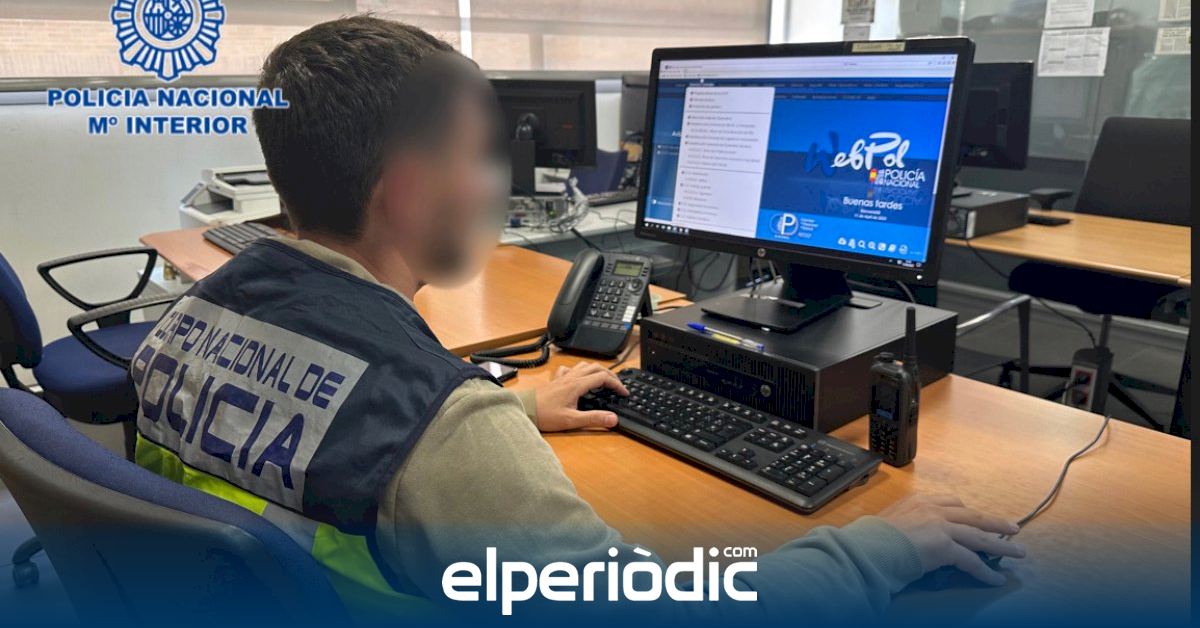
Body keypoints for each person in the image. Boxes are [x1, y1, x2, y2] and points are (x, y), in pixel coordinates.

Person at [128, 15, 1025, 623]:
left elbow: (318, 429)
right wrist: (878, 553)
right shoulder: (443, 433)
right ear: (407, 192)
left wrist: (511, 408)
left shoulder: (190, 315)